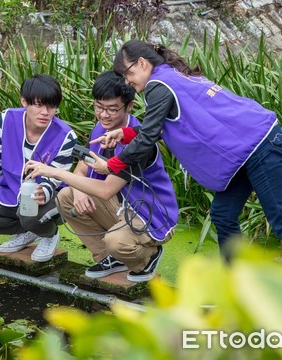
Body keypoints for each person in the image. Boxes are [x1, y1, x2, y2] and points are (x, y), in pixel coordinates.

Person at [91, 39, 282, 259]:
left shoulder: (157, 86)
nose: (127, 81)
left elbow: (147, 138)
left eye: (127, 73)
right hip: (245, 151)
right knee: (223, 215)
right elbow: (164, 127)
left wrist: (111, 165)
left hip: (259, 146)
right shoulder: (171, 74)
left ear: (141, 63)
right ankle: (236, 282)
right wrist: (126, 133)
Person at [25, 71, 178, 282]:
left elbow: (106, 190)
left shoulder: (138, 142)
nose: (104, 115)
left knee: (116, 241)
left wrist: (52, 171)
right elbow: (81, 169)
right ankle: (110, 258)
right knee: (66, 196)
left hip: (151, 215)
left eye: (112, 109)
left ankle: (147, 257)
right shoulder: (100, 128)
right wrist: (78, 193)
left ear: (130, 106)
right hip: (123, 206)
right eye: (99, 107)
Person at [0, 74, 77, 262]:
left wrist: (44, 192)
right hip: (11, 194)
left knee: (29, 212)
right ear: (24, 102)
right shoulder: (7, 119)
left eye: (51, 107)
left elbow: (57, 179)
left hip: (50, 200)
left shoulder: (66, 136)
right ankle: (30, 231)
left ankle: (49, 234)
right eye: (39, 105)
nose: (45, 112)